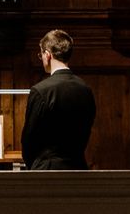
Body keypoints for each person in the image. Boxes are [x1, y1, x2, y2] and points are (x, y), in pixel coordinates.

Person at [21, 29, 96, 170]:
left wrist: (35, 165)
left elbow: (29, 140)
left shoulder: (40, 90)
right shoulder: (86, 90)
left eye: (41, 54)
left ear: (48, 55)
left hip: (47, 170)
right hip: (78, 167)